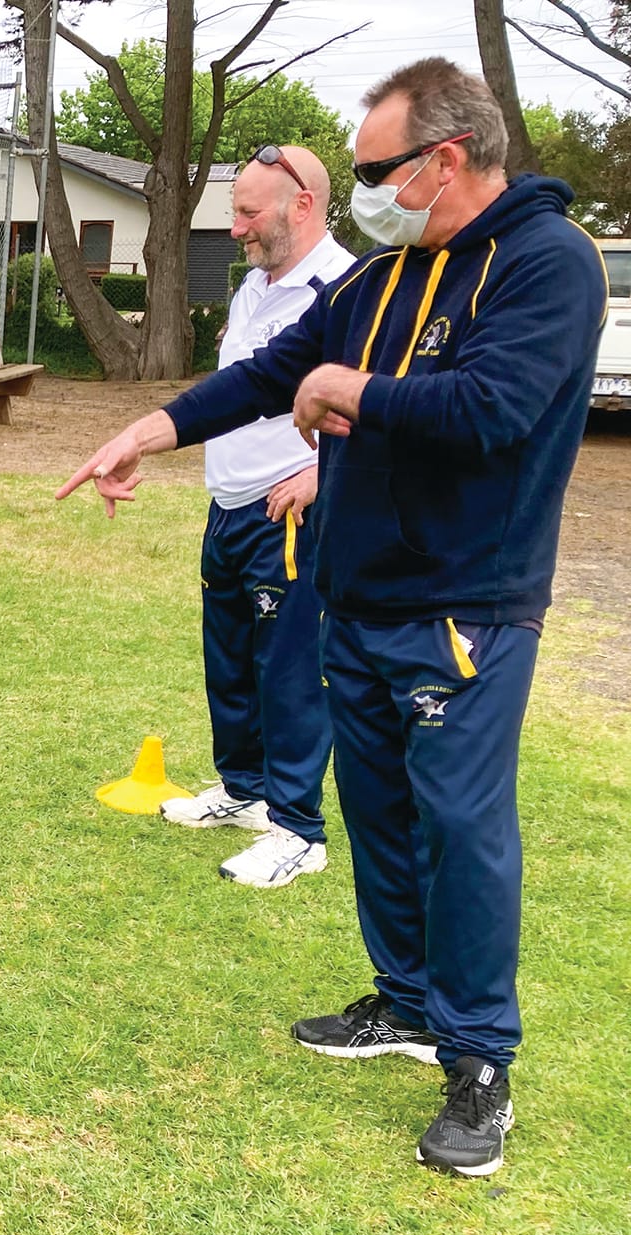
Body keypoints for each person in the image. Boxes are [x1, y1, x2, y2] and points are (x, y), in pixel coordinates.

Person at [57, 59, 608, 1176]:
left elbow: (494, 409)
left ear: (443, 159)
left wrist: (347, 392)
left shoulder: (545, 259)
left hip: (464, 608)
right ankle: (404, 1001)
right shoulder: (380, 278)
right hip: (355, 600)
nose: (363, 193)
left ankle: (479, 1062)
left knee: (460, 830)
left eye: (372, 171)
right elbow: (272, 374)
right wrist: (146, 434)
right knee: (379, 815)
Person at [155, 145, 355, 889]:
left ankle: (298, 830)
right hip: (230, 504)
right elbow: (246, 390)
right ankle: (244, 791)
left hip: (290, 513)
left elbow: (383, 397)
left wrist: (321, 472)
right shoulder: (250, 288)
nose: (235, 227)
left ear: (301, 205)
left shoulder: (346, 289)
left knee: (290, 670)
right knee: (231, 659)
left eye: (247, 212)